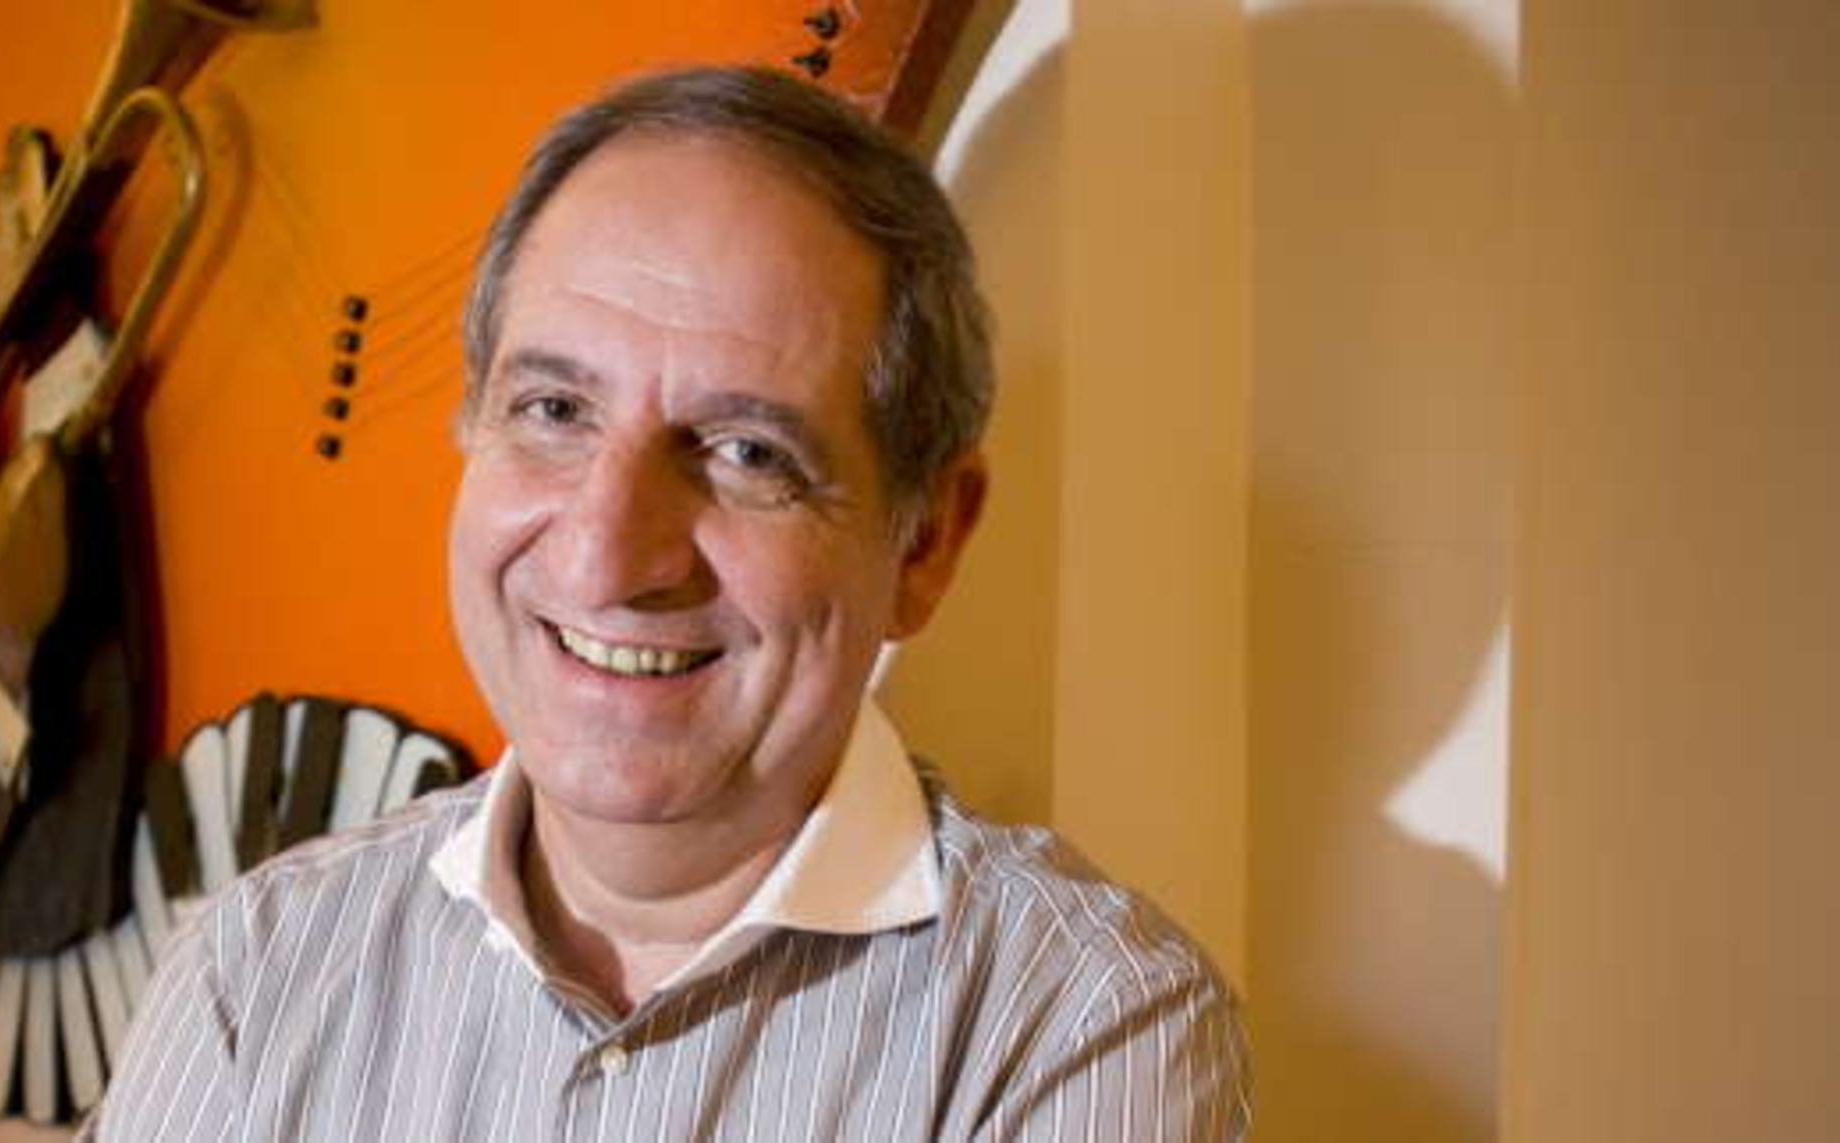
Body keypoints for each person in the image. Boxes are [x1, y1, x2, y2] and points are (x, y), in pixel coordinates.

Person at [89, 65, 1250, 1140]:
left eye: (746, 452)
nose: (606, 557)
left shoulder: (1077, 1023)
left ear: (925, 544)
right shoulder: (261, 967)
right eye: (555, 411)